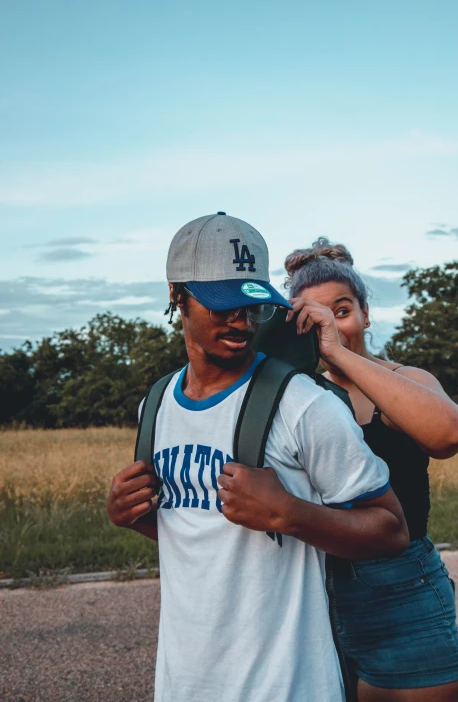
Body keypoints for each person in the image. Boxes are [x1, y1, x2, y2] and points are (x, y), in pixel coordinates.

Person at [108, 213, 409, 702]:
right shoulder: (156, 405)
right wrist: (131, 515)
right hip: (184, 683)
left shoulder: (303, 405)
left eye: (250, 306)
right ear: (176, 296)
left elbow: (392, 530)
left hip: (288, 685)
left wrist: (290, 513)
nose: (240, 321)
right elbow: (203, 534)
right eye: (221, 305)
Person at [284, 237, 458, 702]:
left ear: (365, 313)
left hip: (401, 588)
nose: (331, 325)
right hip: (313, 592)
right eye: (313, 318)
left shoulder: (408, 380)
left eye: (341, 311)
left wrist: (340, 353)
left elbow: (448, 435)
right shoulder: (299, 397)